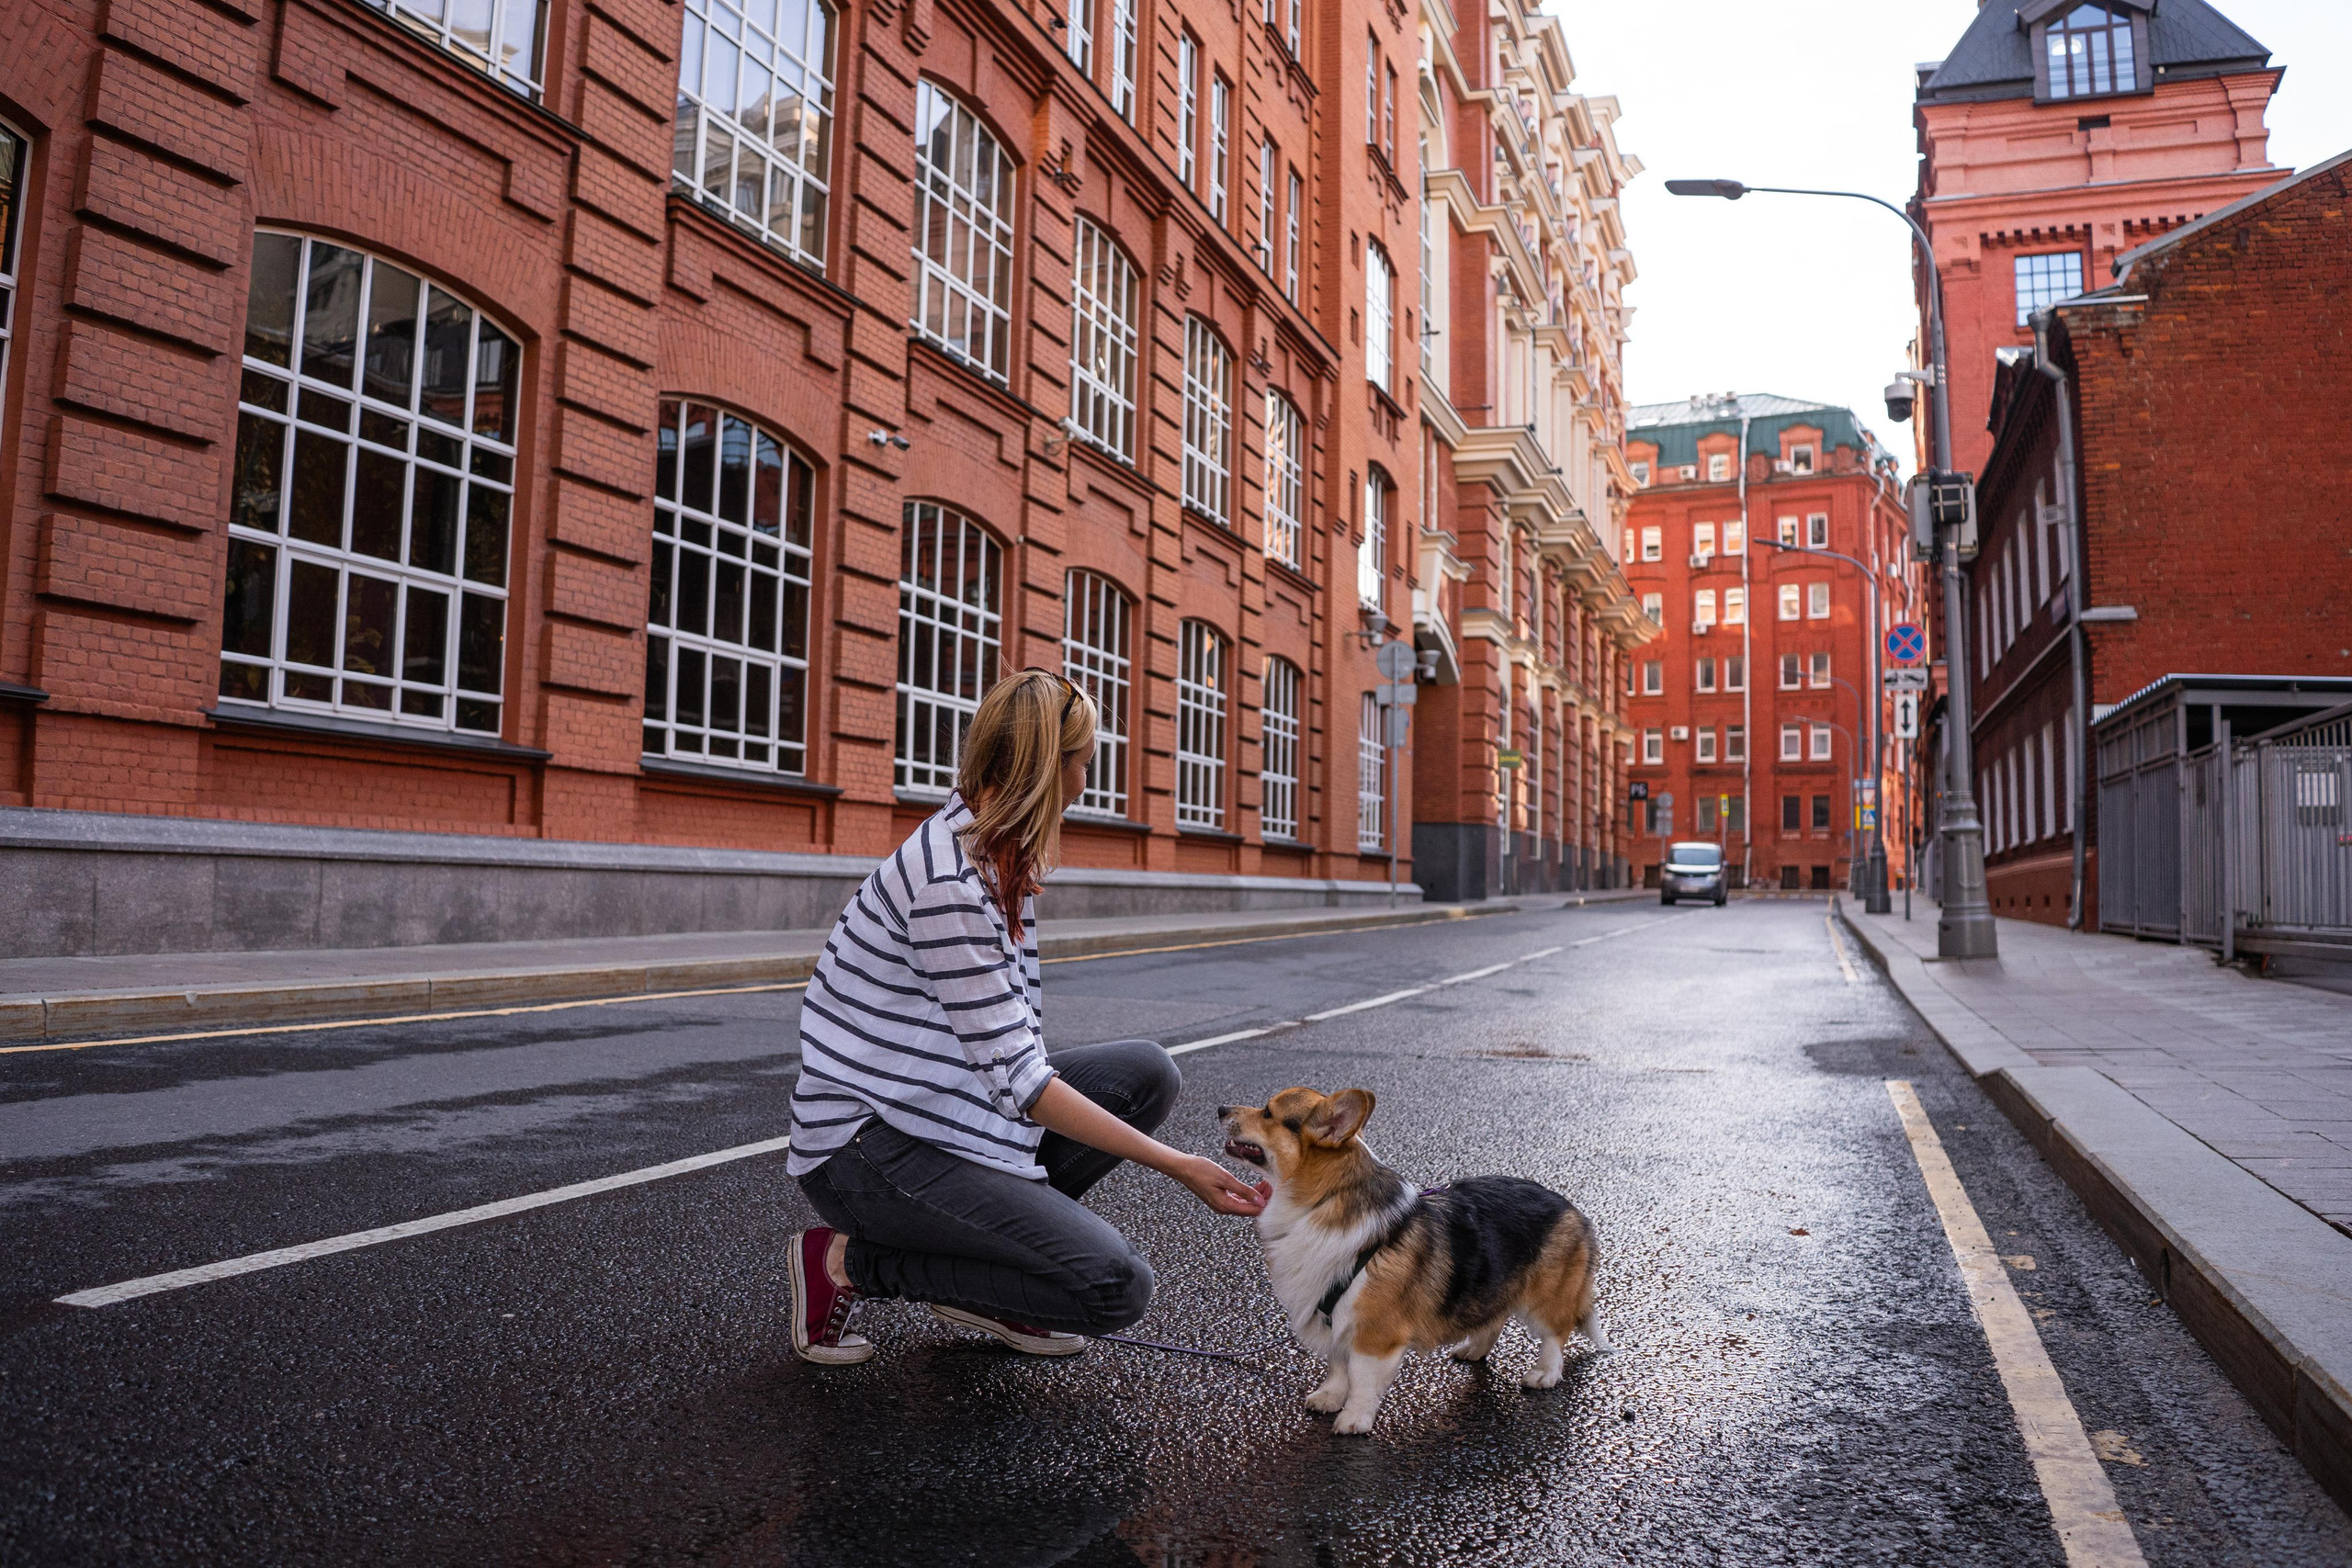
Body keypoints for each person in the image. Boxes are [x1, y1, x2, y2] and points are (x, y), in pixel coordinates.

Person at [786, 669, 1268, 1364]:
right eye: (1081, 765)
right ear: (1046, 768)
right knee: (1114, 1285)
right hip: (865, 1152)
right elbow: (1024, 1084)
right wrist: (1178, 1165)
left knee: (1147, 1074)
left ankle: (991, 1282)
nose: (1083, 785)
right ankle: (845, 1263)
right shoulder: (948, 883)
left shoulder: (994, 852)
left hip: (936, 1109)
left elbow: (1012, 1058)